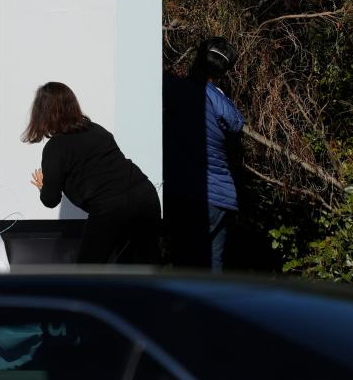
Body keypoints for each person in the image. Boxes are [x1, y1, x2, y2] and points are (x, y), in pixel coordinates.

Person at [23, 82, 161, 264]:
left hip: (110, 208)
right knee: (143, 268)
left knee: (88, 270)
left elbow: (50, 199)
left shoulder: (55, 148)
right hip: (145, 196)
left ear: (43, 112)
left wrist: (43, 186)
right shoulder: (97, 130)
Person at [191, 37, 245, 271]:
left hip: (194, 194)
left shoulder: (186, 92)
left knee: (188, 267)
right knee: (214, 268)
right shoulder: (222, 102)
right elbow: (236, 124)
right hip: (222, 195)